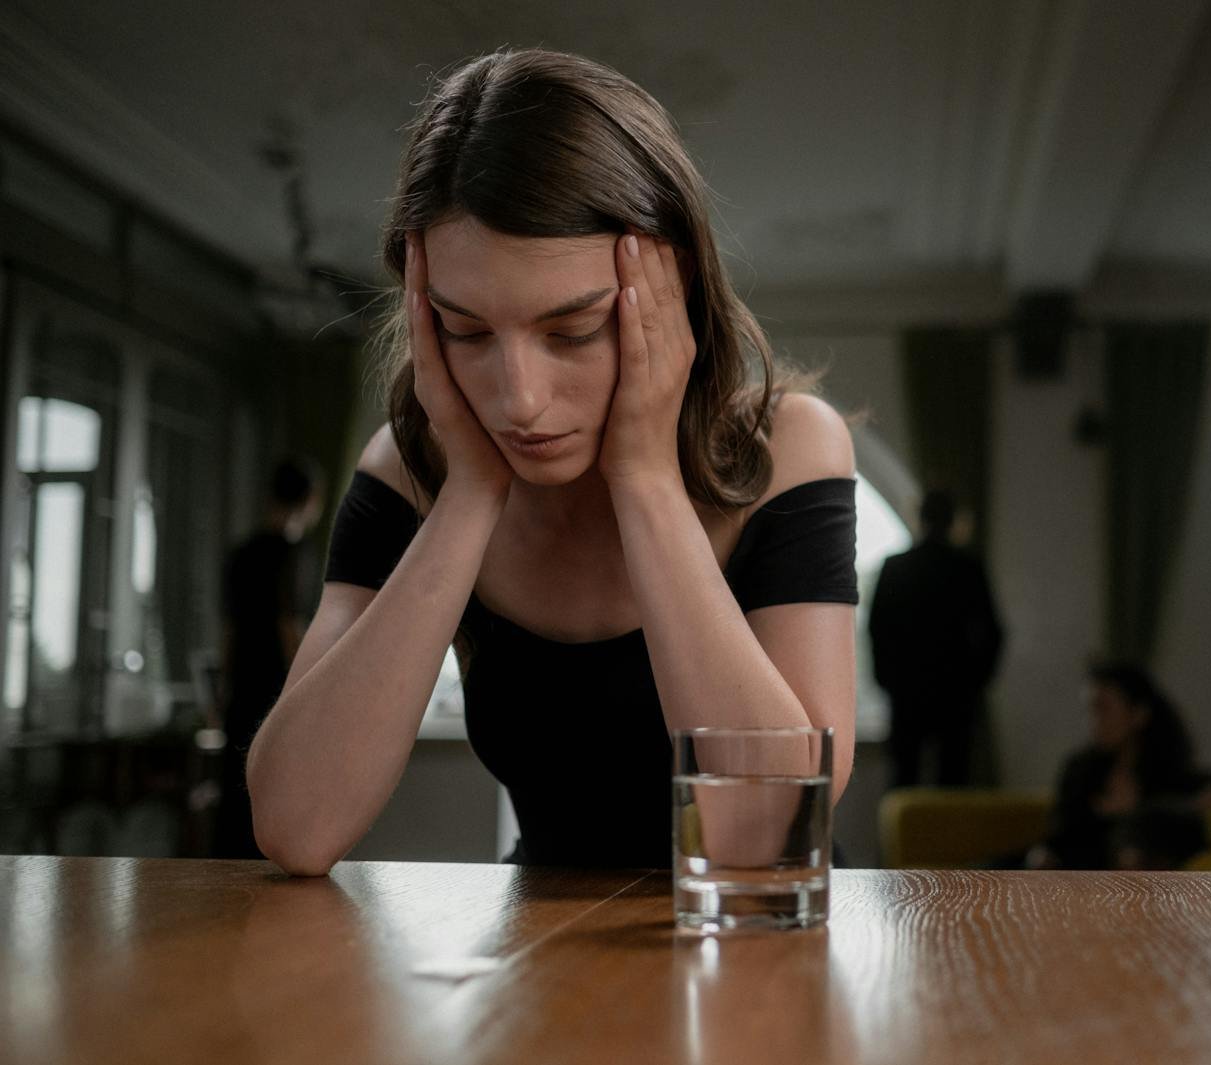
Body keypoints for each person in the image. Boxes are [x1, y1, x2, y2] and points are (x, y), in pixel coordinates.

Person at [246, 48, 859, 876]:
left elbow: (763, 835)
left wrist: (644, 479)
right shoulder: (408, 473)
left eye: (571, 331)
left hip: (756, 954)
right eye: (466, 332)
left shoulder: (790, 448)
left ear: (672, 290)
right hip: (539, 958)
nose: (519, 400)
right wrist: (468, 495)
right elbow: (295, 824)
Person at [215, 457, 324, 858]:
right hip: (278, 689)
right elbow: (289, 626)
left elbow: (228, 632)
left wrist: (223, 692)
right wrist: (308, 691)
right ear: (312, 500)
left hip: (242, 686)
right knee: (274, 788)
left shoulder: (241, 554)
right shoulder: (296, 555)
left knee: (236, 793)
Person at [1026, 664, 1211, 870]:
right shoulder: (1080, 769)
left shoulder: (1165, 770)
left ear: (1138, 714)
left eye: (1103, 709)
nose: (1094, 721)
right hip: (1071, 880)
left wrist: (1136, 811)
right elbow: (1058, 836)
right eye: (1091, 710)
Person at [868, 490, 1003, 787]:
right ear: (953, 520)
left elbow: (877, 628)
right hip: (955, 693)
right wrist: (976, 681)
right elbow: (993, 632)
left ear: (921, 518)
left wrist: (887, 680)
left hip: (907, 691)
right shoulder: (967, 568)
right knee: (953, 785)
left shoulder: (896, 568)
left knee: (904, 781)